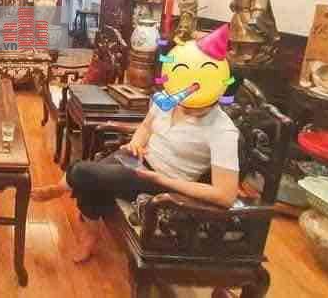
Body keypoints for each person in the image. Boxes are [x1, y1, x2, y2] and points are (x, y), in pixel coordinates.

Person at [32, 26, 240, 262]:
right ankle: (88, 230)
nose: (188, 104)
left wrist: (162, 180)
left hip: (164, 182)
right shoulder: (170, 99)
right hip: (138, 160)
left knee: (82, 172)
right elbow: (145, 127)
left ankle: (62, 188)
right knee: (92, 179)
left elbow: (225, 195)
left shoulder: (222, 129)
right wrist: (136, 143)